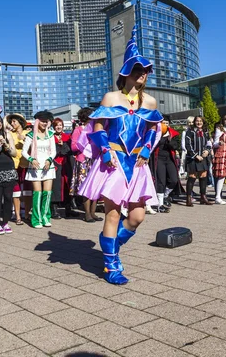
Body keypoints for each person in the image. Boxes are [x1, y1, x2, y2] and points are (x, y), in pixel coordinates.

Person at [79, 26, 162, 285]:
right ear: (126, 72)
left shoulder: (150, 102)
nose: (142, 75)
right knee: (112, 214)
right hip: (113, 162)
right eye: (137, 70)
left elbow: (152, 129)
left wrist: (147, 149)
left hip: (137, 163)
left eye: (145, 71)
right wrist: (104, 152)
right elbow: (98, 126)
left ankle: (112, 245)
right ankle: (110, 265)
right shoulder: (111, 97)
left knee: (137, 217)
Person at [21, 110, 56, 228]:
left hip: (48, 167)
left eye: (46, 121)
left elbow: (54, 151)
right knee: (38, 193)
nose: (45, 123)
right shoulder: (30, 135)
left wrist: (49, 160)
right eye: (42, 121)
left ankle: (46, 217)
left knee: (48, 193)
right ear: (37, 121)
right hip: (35, 168)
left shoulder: (51, 134)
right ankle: (36, 219)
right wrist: (32, 159)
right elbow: (24, 152)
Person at [70, 107, 102, 222]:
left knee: (95, 186)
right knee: (86, 187)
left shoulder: (96, 129)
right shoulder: (79, 129)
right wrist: (85, 144)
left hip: (95, 160)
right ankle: (87, 213)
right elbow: (73, 147)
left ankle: (93, 212)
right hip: (83, 161)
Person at [150, 115, 181, 212]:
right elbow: (152, 146)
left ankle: (165, 195)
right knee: (161, 181)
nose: (165, 124)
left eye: (167, 123)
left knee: (173, 179)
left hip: (169, 159)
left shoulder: (173, 134)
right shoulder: (155, 134)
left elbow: (176, 146)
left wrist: (170, 140)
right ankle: (160, 204)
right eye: (163, 122)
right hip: (158, 159)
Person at [5, 113, 30, 225]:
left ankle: (27, 214)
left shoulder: (28, 133)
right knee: (16, 191)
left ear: (20, 122)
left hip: (26, 165)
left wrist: (24, 139)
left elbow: (33, 147)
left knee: (27, 191)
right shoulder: (9, 134)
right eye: (11, 122)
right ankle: (18, 216)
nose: (12, 123)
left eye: (14, 121)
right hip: (13, 165)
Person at [184, 116, 212, 206]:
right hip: (193, 158)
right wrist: (195, 155)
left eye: (201, 121)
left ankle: (203, 197)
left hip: (203, 157)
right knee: (192, 176)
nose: (199, 123)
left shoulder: (205, 131)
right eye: (197, 121)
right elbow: (188, 145)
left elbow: (209, 142)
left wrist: (207, 150)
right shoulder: (190, 132)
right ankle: (188, 198)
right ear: (194, 122)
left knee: (203, 175)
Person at [51, 118, 72, 219]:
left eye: (60, 125)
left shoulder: (67, 137)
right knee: (55, 186)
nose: (59, 127)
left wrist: (63, 145)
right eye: (56, 125)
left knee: (67, 186)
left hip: (66, 164)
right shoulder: (50, 137)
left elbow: (70, 150)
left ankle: (68, 209)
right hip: (55, 164)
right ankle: (54, 210)